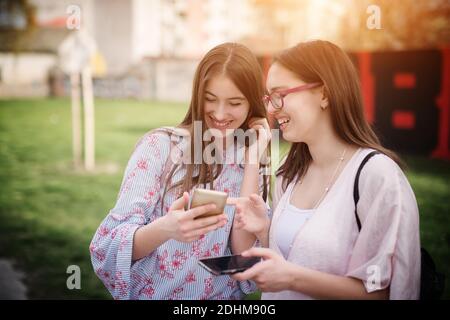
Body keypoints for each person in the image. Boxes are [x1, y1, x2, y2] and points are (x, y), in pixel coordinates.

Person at [228, 40, 421, 299]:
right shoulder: (289, 171)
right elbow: (290, 257)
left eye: (280, 95)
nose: (272, 109)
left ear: (324, 94)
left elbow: (381, 293)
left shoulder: (377, 176)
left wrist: (293, 278)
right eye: (269, 98)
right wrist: (265, 231)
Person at [90, 42, 271, 299]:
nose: (220, 113)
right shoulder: (160, 147)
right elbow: (106, 247)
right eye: (210, 99)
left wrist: (254, 159)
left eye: (234, 103)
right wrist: (166, 228)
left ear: (251, 104)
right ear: (198, 95)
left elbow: (243, 258)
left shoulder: (252, 161)